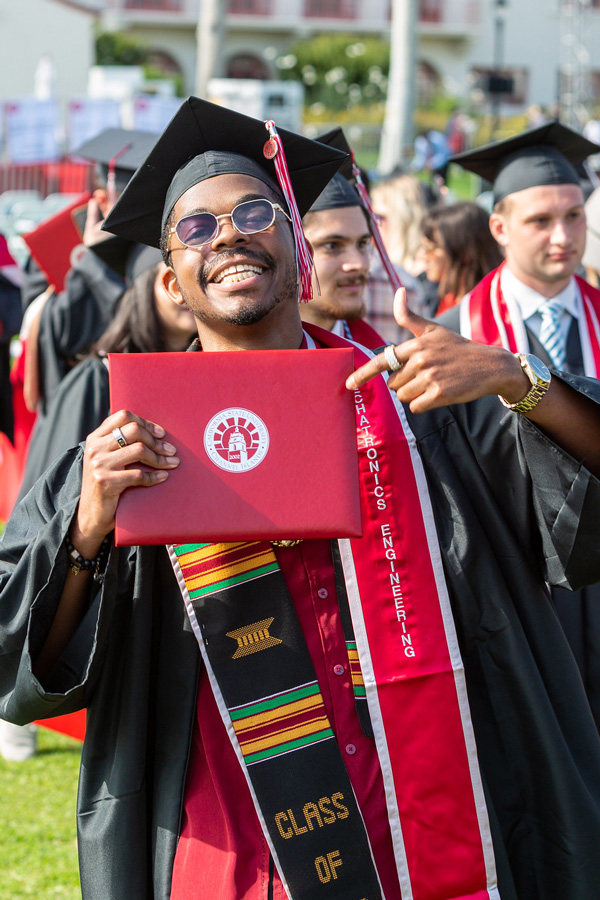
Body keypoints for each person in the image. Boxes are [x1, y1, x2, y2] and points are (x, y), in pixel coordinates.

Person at [1, 98, 600, 900]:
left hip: (419, 815)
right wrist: (87, 526)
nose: (231, 235)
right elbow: (18, 657)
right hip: (225, 836)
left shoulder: (419, 407)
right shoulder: (124, 447)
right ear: (172, 280)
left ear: (297, 246)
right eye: (197, 229)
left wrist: (518, 381)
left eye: (256, 211)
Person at [445, 120, 600, 730]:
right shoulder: (453, 337)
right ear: (500, 227)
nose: (562, 236)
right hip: (513, 589)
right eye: (540, 220)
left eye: (574, 216)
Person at [16, 242, 197, 501]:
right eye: (172, 280)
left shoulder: (198, 378)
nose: (185, 294)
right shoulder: (97, 377)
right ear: (142, 288)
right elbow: (50, 495)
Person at [300, 171, 383, 348]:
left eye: (362, 244)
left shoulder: (385, 365)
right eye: (332, 245)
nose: (359, 264)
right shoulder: (242, 364)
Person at [420, 201, 504, 316]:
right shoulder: (447, 299)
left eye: (431, 248)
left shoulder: (487, 313)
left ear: (464, 253)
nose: (423, 256)